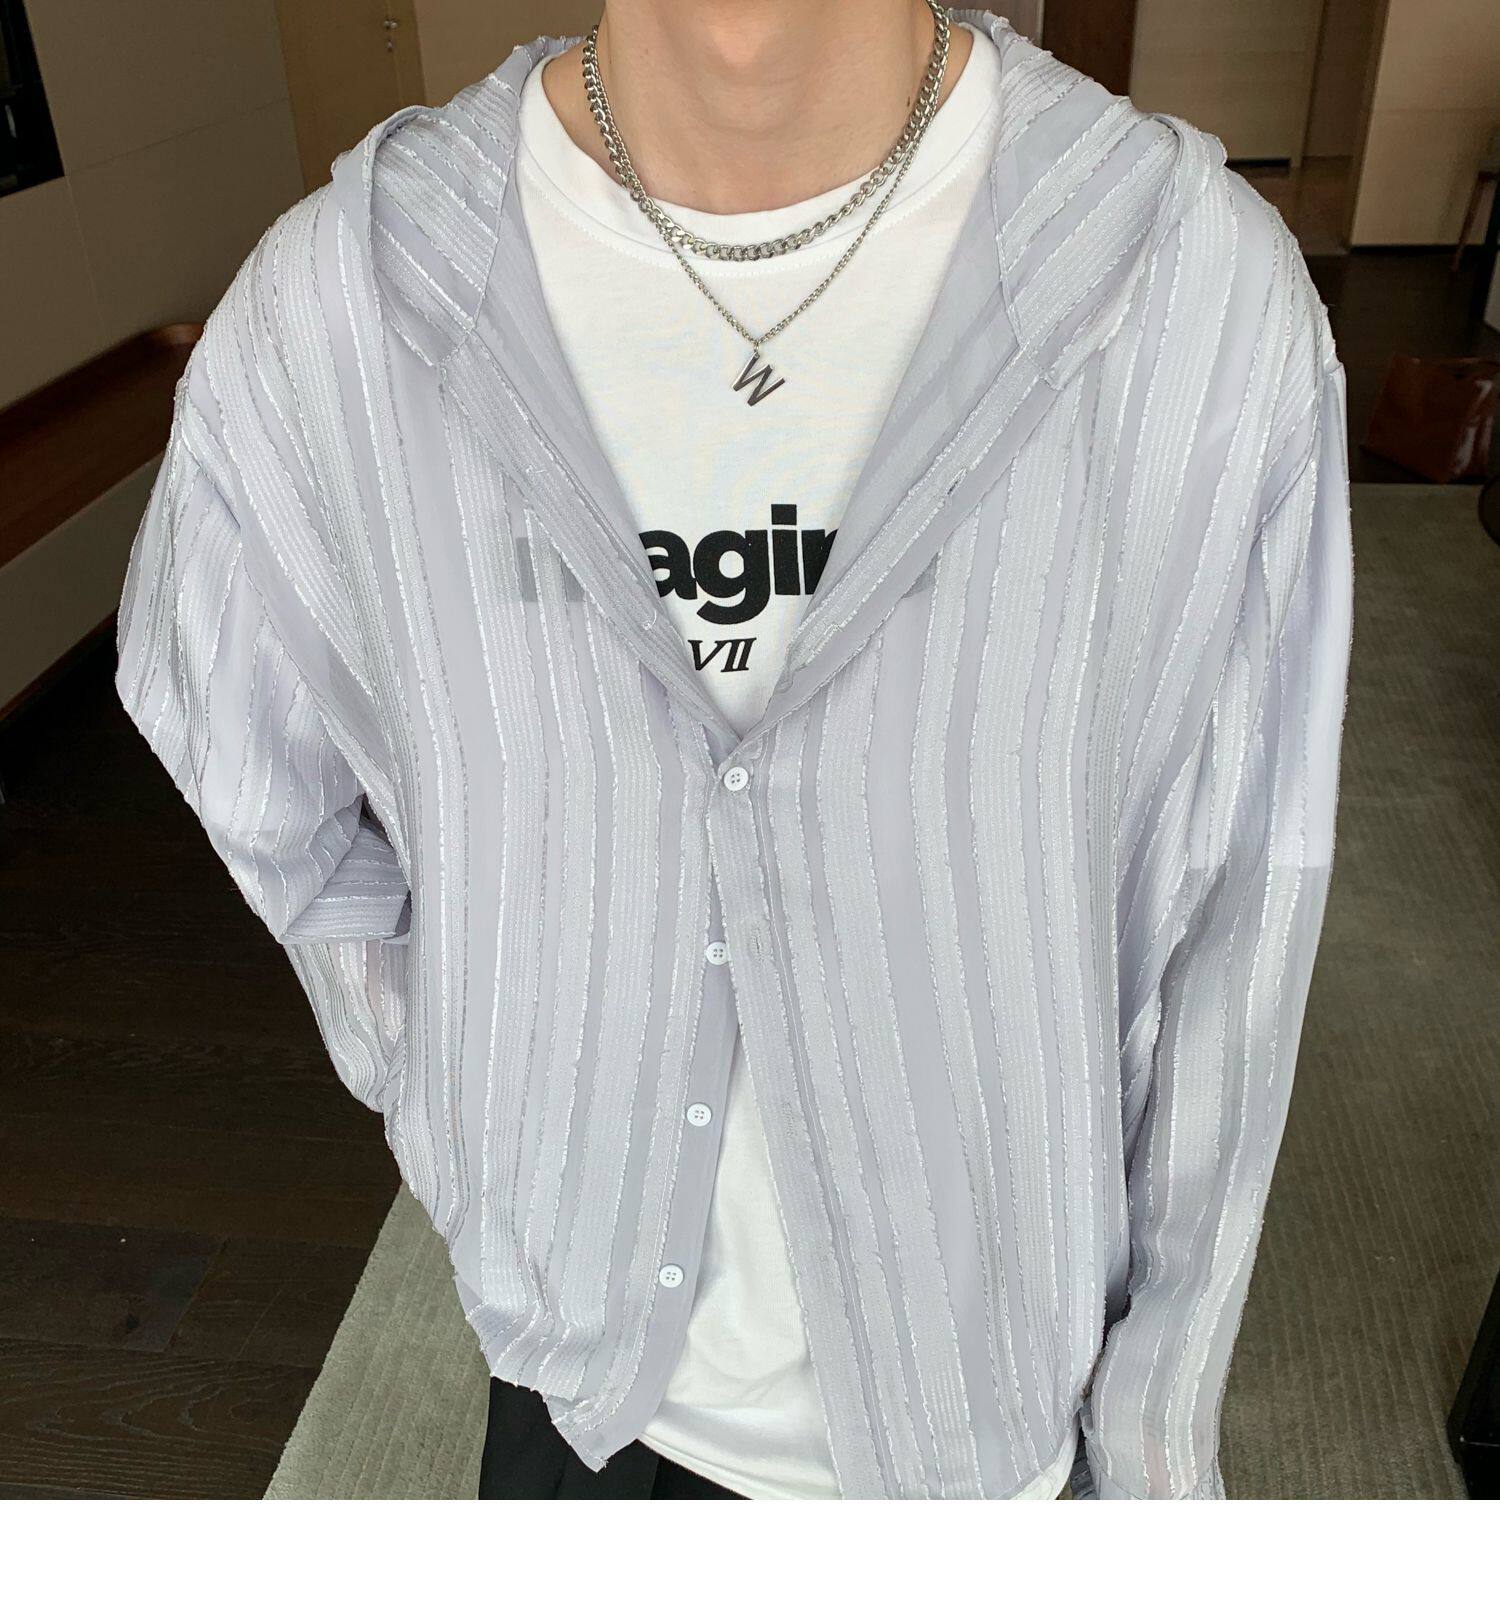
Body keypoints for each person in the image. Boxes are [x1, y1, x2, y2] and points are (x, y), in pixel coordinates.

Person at [114, 3, 1354, 1500]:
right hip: (585, 1398)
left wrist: (1153, 1443)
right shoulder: (331, 318)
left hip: (992, 1417)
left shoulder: (1198, 300)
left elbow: (1241, 915)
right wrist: (459, 1096)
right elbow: (247, 755)